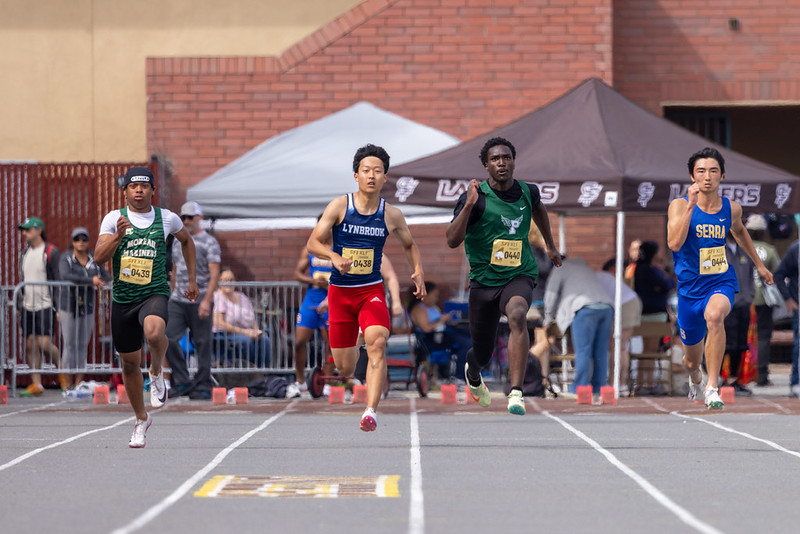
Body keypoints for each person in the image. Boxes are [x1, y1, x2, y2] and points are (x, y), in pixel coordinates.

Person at [307, 143, 425, 432]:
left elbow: (409, 245)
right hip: (340, 293)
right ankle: (358, 343)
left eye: (377, 171)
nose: (371, 176)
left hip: (370, 291)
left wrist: (418, 271)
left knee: (378, 342)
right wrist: (333, 257)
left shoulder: (391, 215)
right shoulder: (340, 206)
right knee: (345, 367)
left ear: (385, 177)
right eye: (366, 170)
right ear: (356, 176)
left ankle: (370, 411)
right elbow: (313, 242)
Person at [446, 137, 561, 416]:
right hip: (484, 281)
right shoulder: (476, 197)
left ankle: (516, 391)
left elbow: (539, 209)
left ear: (513, 162)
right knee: (482, 353)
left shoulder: (528, 191)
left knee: (518, 314)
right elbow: (451, 240)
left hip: (518, 273)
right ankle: (473, 372)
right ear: (486, 165)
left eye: (506, 158)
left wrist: (550, 244)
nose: (502, 163)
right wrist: (469, 205)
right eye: (495, 159)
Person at [95, 166, 198, 448]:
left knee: (154, 333)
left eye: (144, 186)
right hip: (124, 298)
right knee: (129, 363)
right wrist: (117, 237)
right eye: (133, 186)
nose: (138, 190)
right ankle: (141, 419)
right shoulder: (114, 219)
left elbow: (187, 242)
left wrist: (191, 279)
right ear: (125, 191)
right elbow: (98, 257)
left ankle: (155, 370)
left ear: (153, 190)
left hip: (154, 291)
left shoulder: (167, 218)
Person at [667, 147, 773, 410]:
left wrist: (760, 266)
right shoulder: (679, 206)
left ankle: (712, 388)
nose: (707, 176)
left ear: (722, 176)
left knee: (715, 317)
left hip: (719, 280)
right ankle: (696, 377)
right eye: (701, 171)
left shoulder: (731, 208)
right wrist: (691, 206)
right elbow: (674, 244)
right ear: (692, 176)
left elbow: (740, 232)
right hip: (689, 289)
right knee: (691, 361)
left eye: (713, 171)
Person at [165, 201, 221, 401]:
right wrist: (173, 292)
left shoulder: (209, 242)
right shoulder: (177, 241)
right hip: (178, 299)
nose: (187, 221)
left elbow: (215, 274)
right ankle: (182, 379)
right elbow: (174, 269)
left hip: (200, 299)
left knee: (203, 343)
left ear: (200, 218)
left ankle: (203, 384)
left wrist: (207, 300)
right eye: (183, 218)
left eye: (190, 217)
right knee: (166, 337)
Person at [544, 258, 614, 397]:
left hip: (584, 308)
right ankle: (599, 387)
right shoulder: (584, 266)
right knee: (601, 351)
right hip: (606, 307)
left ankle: (579, 388)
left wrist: (547, 318)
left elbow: (551, 294)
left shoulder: (559, 268)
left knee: (583, 350)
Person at [58, 227, 111, 391]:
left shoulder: (93, 259)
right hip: (69, 306)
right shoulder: (66, 258)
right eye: (77, 239)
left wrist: (100, 281)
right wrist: (90, 280)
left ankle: (78, 383)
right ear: (72, 241)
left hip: (87, 306)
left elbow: (107, 276)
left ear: (88, 242)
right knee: (69, 345)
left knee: (82, 345)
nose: (80, 242)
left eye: (84, 239)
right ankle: (67, 383)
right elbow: (65, 276)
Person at [16, 216, 63, 396]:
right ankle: (37, 384)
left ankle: (63, 374)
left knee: (44, 344)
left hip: (46, 304)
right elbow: (22, 279)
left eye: (28, 230)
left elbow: (57, 280)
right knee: (30, 344)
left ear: (39, 231)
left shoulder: (50, 251)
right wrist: (20, 305)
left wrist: (58, 307)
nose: (24, 233)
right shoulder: (24, 254)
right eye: (23, 230)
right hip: (28, 305)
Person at [289, 229, 335, 398]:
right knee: (299, 342)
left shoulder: (340, 249)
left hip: (331, 301)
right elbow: (297, 274)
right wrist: (314, 281)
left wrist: (330, 284)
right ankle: (300, 381)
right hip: (311, 300)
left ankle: (327, 383)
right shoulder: (310, 249)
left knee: (330, 344)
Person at [631, 240, 676, 394]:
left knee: (646, 350)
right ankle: (648, 383)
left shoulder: (639, 269)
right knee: (651, 350)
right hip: (655, 314)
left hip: (643, 313)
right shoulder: (650, 270)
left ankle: (641, 381)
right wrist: (667, 279)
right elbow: (667, 284)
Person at [408, 281, 472, 384]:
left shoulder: (433, 307)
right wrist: (441, 320)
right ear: (426, 295)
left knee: (469, 334)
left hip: (445, 332)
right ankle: (459, 375)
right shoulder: (419, 309)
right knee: (466, 344)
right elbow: (426, 328)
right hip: (433, 338)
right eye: (434, 296)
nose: (436, 299)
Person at [596, 258, 642, 396]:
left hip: (626, 304)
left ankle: (617, 384)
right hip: (630, 302)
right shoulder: (600, 276)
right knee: (620, 346)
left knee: (618, 346)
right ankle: (619, 384)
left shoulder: (594, 278)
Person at [745, 214, 781, 387]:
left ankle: (743, 373)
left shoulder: (741, 247)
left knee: (743, 336)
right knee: (763, 337)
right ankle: (762, 375)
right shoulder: (769, 250)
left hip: (744, 298)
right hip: (764, 300)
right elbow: (778, 273)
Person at [212, 267, 270, 367]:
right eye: (225, 280)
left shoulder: (242, 297)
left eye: (231, 280)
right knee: (246, 341)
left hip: (246, 332)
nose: (228, 283)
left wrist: (256, 331)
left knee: (264, 340)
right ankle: (247, 372)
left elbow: (252, 319)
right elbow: (220, 324)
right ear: (219, 282)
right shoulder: (218, 297)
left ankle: (262, 372)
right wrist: (246, 332)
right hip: (224, 335)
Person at [722, 233, 755, 396]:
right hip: (726, 305)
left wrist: (749, 295)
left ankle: (734, 379)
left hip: (743, 304)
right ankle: (720, 378)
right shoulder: (719, 250)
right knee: (724, 343)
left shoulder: (745, 251)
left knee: (740, 344)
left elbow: (751, 276)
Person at [773, 239, 800, 398]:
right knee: (799, 345)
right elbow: (779, 275)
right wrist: (788, 299)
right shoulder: (795, 249)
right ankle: (796, 382)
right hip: (798, 305)